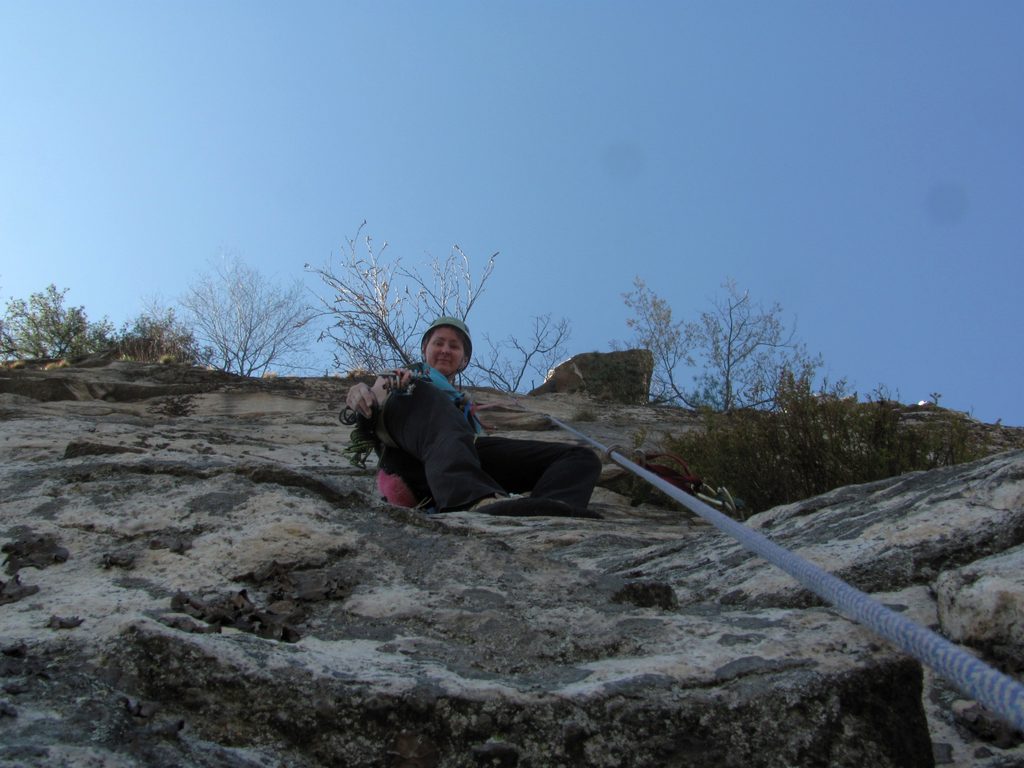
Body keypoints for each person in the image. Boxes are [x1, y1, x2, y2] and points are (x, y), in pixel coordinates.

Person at [343, 317, 601, 517]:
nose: (445, 350)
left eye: (454, 347)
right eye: (439, 343)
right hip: (412, 461)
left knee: (579, 458)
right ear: (425, 350)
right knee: (432, 401)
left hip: (461, 450)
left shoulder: (463, 403)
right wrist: (360, 391)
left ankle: (549, 511)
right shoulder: (410, 378)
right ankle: (470, 499)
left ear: (463, 359)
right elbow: (375, 394)